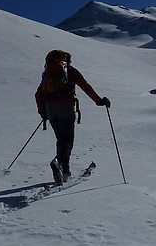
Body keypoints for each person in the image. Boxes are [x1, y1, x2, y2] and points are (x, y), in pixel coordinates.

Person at [35, 50, 110, 183]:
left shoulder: (48, 73)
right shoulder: (71, 71)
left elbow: (38, 94)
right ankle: (60, 165)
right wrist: (99, 101)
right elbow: (86, 86)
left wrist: (43, 112)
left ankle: (64, 171)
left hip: (50, 109)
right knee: (68, 140)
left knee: (60, 139)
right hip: (65, 108)